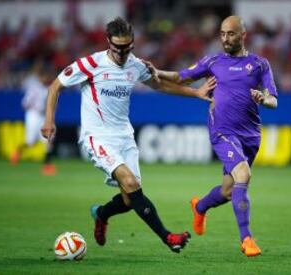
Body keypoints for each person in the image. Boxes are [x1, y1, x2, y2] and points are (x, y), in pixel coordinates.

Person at [41, 17, 216, 253]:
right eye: (118, 48)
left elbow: (161, 85)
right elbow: (56, 86)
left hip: (125, 136)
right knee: (131, 183)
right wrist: (49, 119)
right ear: (108, 43)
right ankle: (168, 238)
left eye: (127, 47)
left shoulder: (136, 65)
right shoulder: (90, 64)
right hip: (97, 136)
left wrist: (196, 94)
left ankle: (101, 214)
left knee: (129, 198)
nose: (123, 53)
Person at [147, 15, 278, 257]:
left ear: (243, 35)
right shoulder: (213, 61)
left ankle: (200, 205)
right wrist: (158, 72)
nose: (226, 38)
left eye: (231, 33)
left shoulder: (260, 64)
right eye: (222, 34)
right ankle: (246, 239)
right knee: (243, 174)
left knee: (230, 191)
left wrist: (263, 98)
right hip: (222, 130)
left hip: (250, 135)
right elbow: (181, 76)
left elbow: (273, 100)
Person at [10, 61, 56, 176]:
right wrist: (36, 106)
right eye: (45, 76)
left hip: (43, 116)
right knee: (30, 142)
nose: (46, 78)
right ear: (40, 77)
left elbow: (53, 105)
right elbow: (24, 103)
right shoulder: (33, 88)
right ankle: (18, 151)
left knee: (48, 140)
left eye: (48, 76)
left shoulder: (50, 89)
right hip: (33, 115)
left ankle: (47, 166)